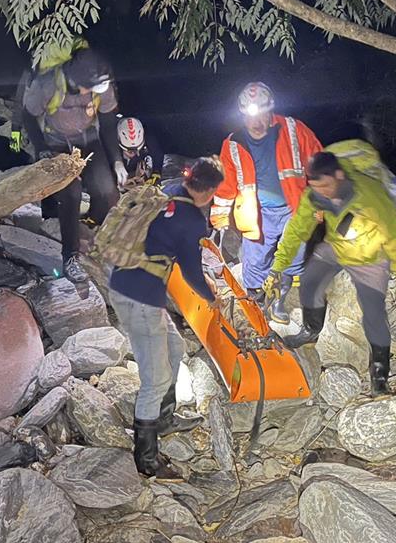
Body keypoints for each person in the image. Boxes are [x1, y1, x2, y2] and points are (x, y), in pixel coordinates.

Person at [108, 157, 225, 480]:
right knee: (154, 379)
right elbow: (190, 273)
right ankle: (146, 460)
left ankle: (165, 417)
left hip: (128, 283)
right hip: (139, 298)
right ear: (210, 190)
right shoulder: (190, 219)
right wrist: (211, 298)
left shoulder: (169, 190)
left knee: (175, 348)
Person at [263, 150, 396, 395]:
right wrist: (277, 268)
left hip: (371, 257)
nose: (321, 191)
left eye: (325, 185)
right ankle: (311, 330)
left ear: (338, 175)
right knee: (310, 281)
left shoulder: (370, 194)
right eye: (315, 186)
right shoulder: (313, 196)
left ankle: (379, 375)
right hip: (337, 246)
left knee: (373, 313)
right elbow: (295, 232)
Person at [210, 82, 322, 324]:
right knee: (255, 262)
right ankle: (256, 303)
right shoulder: (232, 144)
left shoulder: (293, 130)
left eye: (262, 114)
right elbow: (226, 184)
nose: (256, 122)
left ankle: (282, 302)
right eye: (251, 116)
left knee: (293, 258)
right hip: (256, 214)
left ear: (270, 110)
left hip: (294, 208)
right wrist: (219, 218)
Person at [21, 41, 121, 283]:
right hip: (55, 142)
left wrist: (117, 160)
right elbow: (28, 115)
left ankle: (97, 237)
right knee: (71, 193)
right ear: (78, 83)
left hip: (88, 140)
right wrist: (43, 149)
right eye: (92, 89)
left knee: (108, 192)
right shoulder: (48, 84)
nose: (95, 94)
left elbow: (107, 122)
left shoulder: (101, 85)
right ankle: (70, 257)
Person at [114, 116, 164, 188]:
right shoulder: (110, 146)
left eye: (136, 150)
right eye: (130, 151)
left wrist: (156, 173)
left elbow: (158, 155)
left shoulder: (149, 138)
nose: (134, 153)